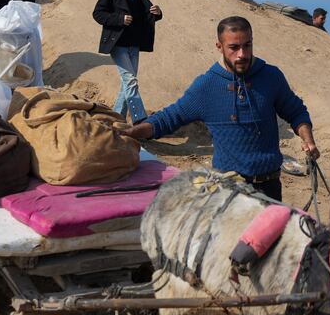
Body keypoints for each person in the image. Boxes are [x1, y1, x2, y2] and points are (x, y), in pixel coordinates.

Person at [121, 16, 318, 201]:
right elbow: (168, 119)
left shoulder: (271, 77)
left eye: (247, 46)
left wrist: (308, 140)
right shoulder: (206, 86)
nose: (242, 54)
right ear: (219, 46)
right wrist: (131, 132)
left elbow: (296, 112)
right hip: (229, 190)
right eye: (234, 47)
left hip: (270, 187)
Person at [93, 0, 162, 123]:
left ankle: (116, 119)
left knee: (127, 84)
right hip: (117, 44)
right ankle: (140, 120)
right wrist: (119, 19)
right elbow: (98, 13)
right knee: (131, 81)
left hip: (135, 44)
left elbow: (147, 12)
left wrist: (157, 13)